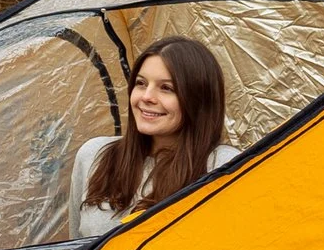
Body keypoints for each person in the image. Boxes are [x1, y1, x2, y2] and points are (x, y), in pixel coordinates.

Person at [70, 35, 237, 238]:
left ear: (198, 100)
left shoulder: (223, 166)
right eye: (141, 83)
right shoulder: (94, 155)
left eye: (166, 88)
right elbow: (75, 249)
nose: (147, 96)